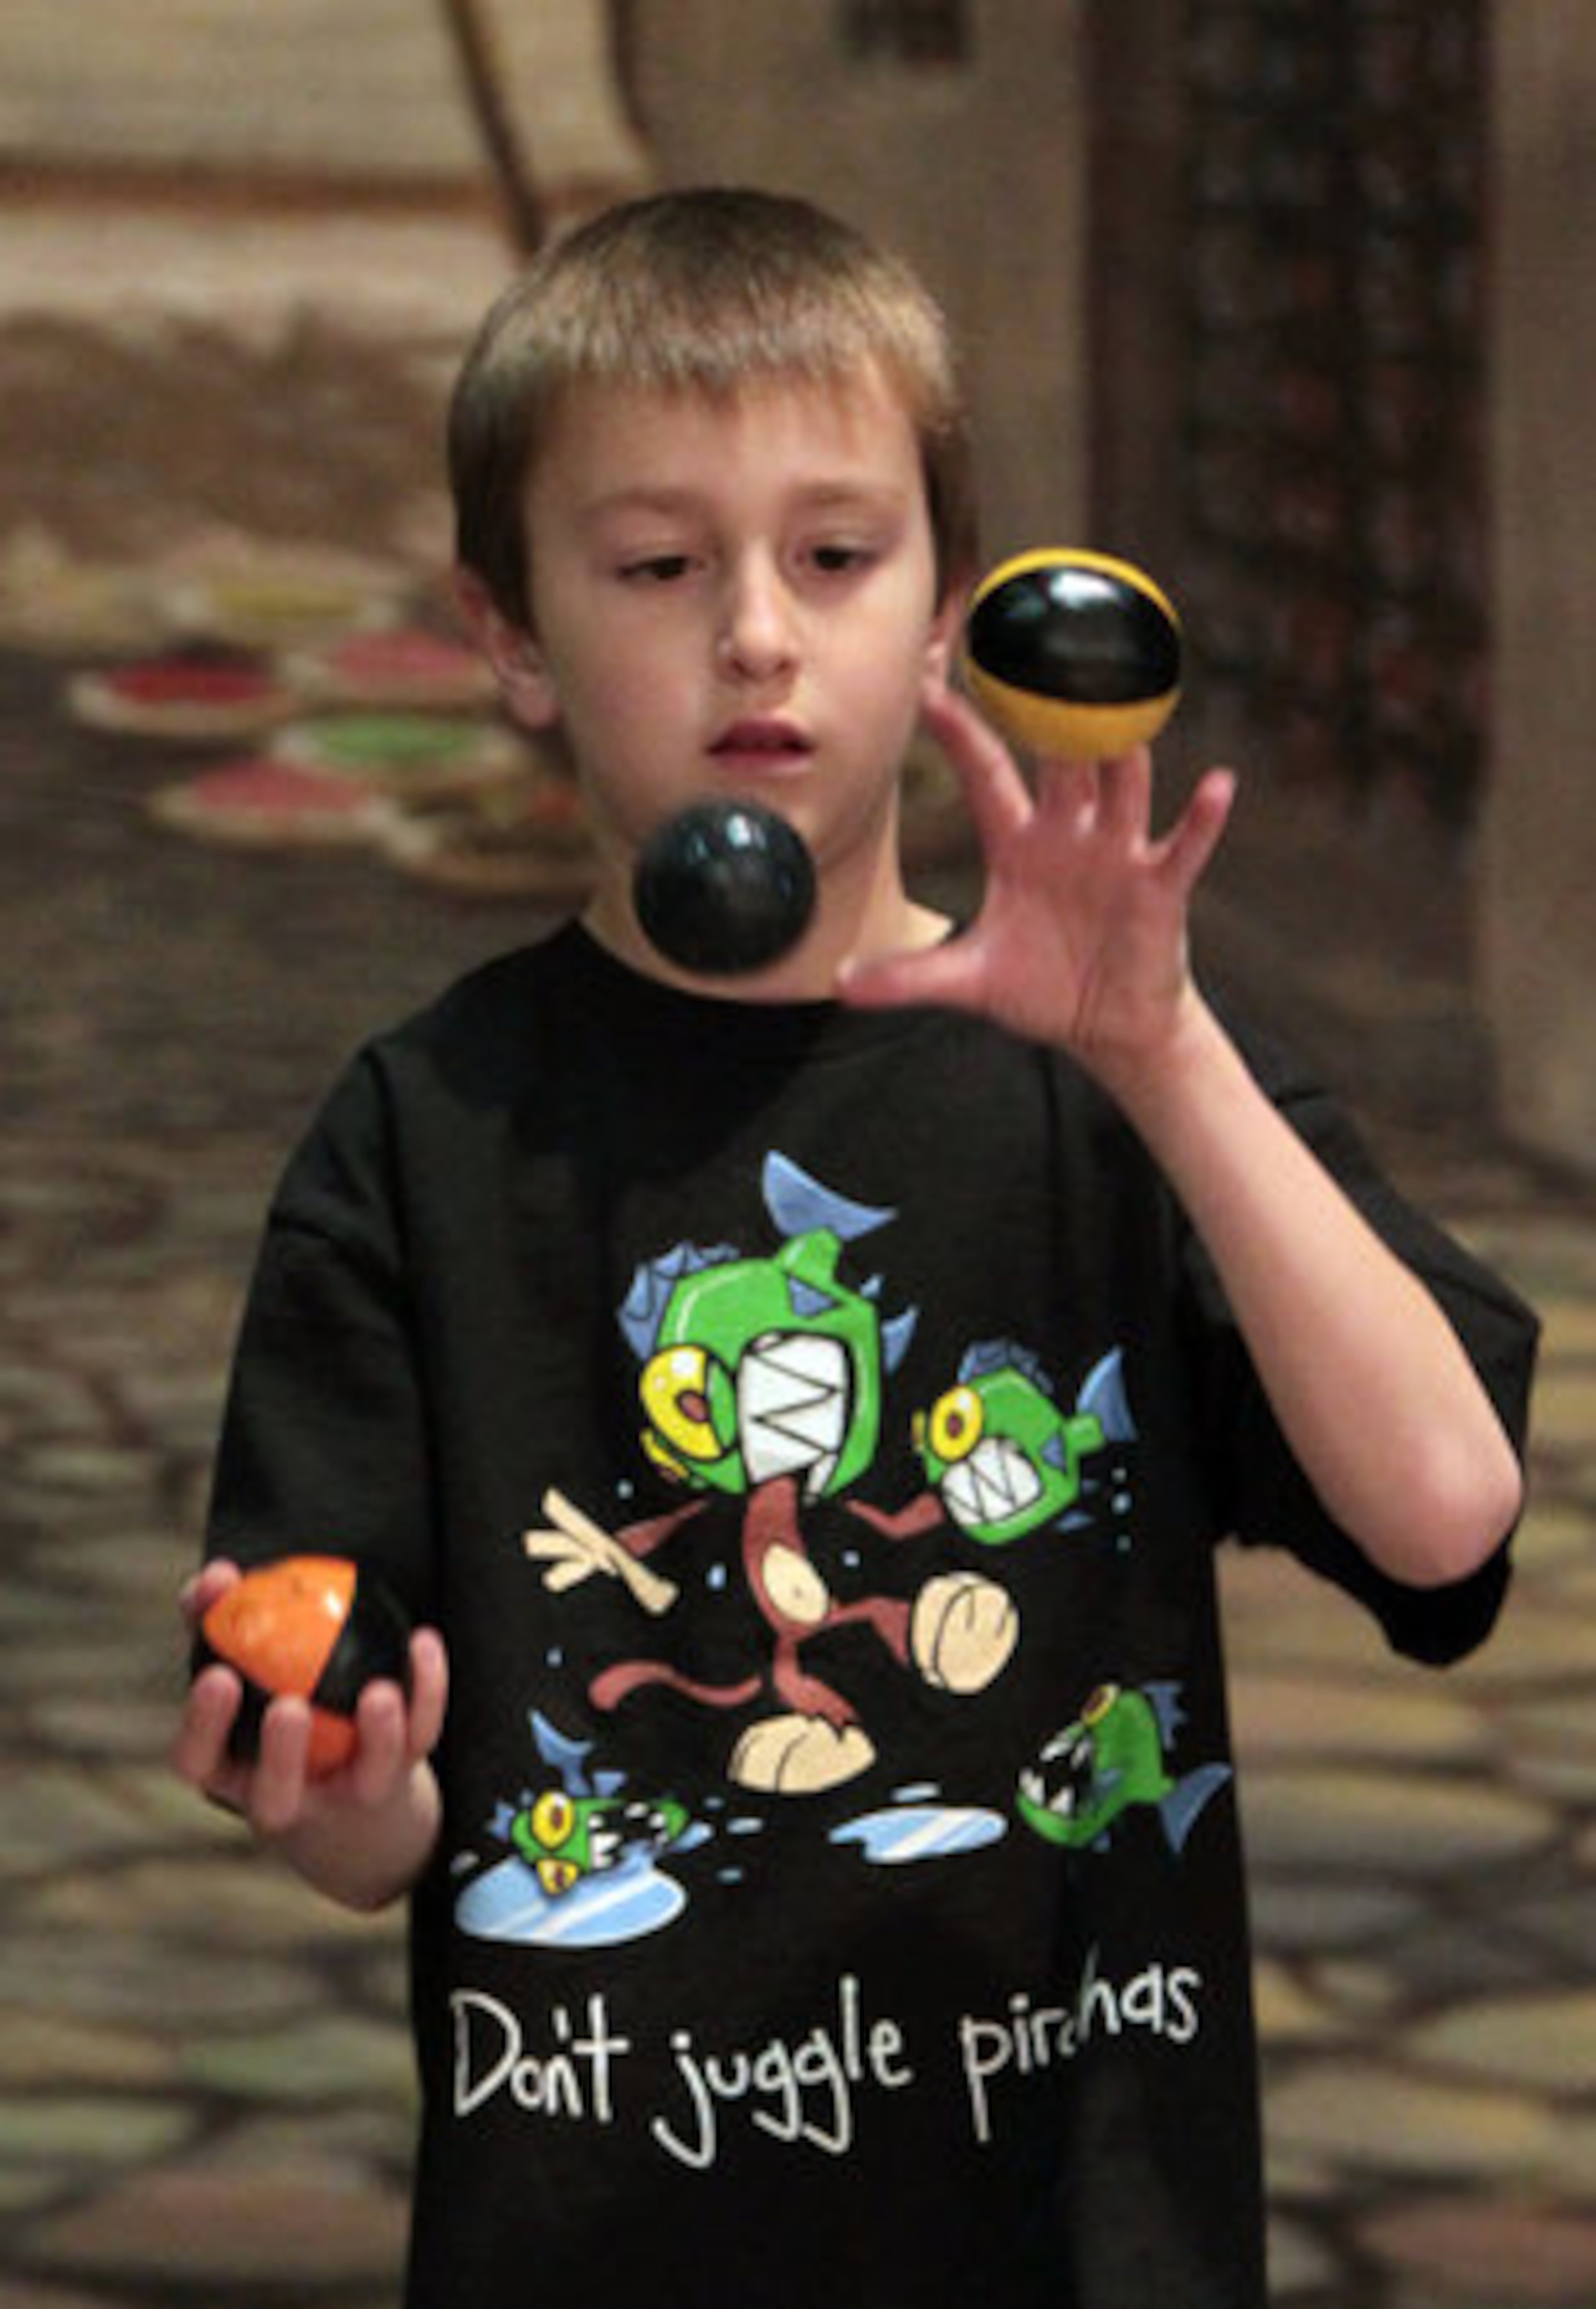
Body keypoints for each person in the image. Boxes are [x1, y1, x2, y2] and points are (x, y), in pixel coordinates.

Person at [172, 187, 1537, 2309]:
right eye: (655, 565)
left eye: (834, 556)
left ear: (947, 615)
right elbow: (367, 1790)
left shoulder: (1120, 1081)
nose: (754, 633)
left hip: (1078, 2237)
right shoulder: (424, 1135)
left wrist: (1165, 1056)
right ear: (512, 635)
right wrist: (335, 1796)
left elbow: (1448, 1519)